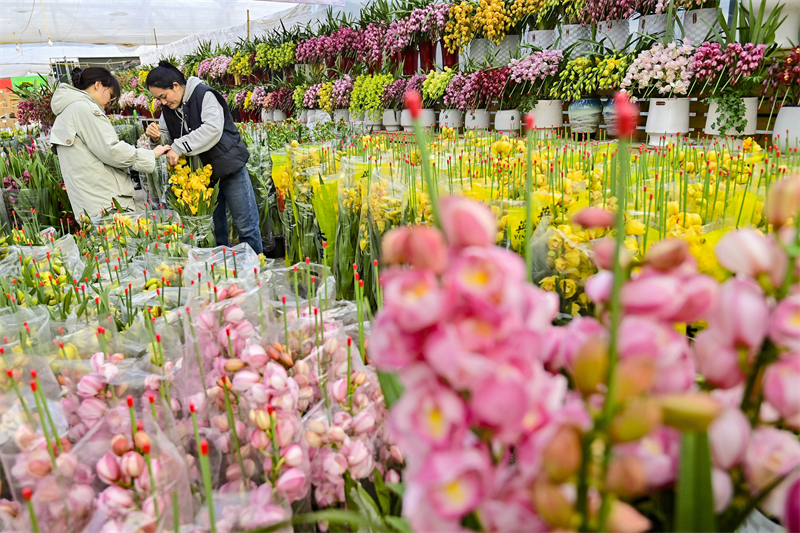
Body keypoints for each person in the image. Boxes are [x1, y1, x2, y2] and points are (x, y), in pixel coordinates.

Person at [144, 61, 264, 255]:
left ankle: (256, 271)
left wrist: (178, 146)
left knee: (246, 225)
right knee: (215, 230)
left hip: (229, 168)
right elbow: (167, 141)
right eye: (159, 99)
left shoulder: (204, 95)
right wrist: (156, 138)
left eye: (163, 96)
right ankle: (223, 275)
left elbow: (212, 129)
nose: (163, 103)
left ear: (175, 85)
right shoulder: (167, 111)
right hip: (201, 179)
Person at [50, 67, 170, 218]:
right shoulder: (85, 108)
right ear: (98, 85)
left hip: (90, 198)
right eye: (111, 95)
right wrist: (151, 154)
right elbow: (112, 150)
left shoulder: (69, 109)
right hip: (105, 200)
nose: (110, 102)